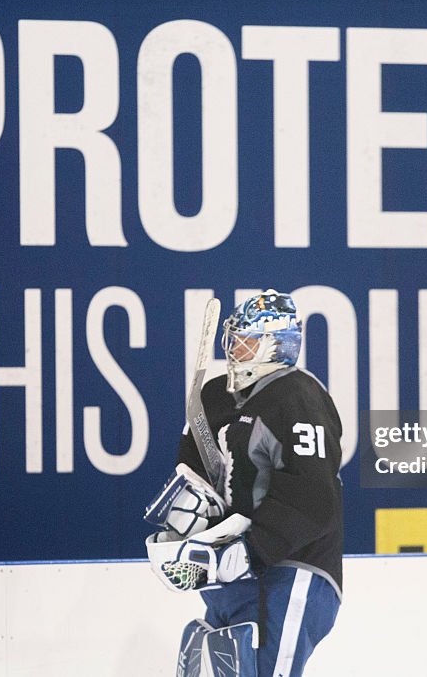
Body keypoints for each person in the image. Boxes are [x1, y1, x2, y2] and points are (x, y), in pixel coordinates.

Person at [145, 290, 343, 677]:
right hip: (234, 575)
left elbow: (314, 497)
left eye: (247, 340)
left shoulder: (298, 395)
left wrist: (251, 549)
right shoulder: (217, 397)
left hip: (291, 571)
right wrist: (196, 519)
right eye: (233, 339)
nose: (235, 349)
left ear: (277, 345)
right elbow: (195, 467)